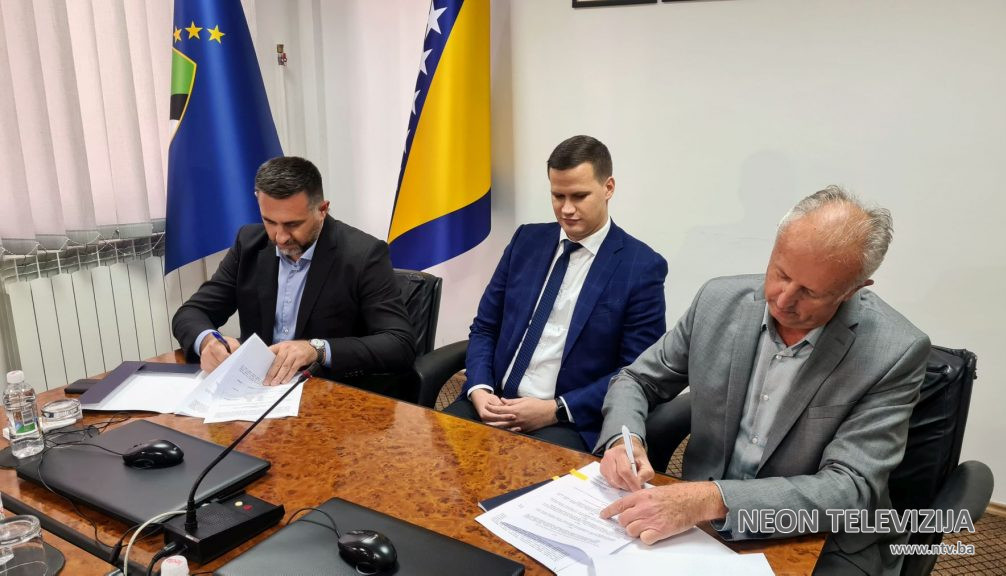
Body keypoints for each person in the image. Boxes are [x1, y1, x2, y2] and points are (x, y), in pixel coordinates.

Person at [597, 186, 930, 575]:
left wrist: (713, 499)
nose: (783, 299)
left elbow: (849, 488)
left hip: (814, 535)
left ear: (852, 290)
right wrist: (623, 440)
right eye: (781, 274)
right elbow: (637, 380)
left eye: (810, 292)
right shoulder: (717, 302)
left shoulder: (894, 352)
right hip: (695, 522)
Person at [444, 135, 668, 451]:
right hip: (492, 400)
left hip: (565, 420)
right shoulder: (526, 241)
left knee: (521, 478)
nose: (567, 209)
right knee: (429, 457)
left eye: (579, 196)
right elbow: (485, 327)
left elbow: (635, 372)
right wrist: (479, 388)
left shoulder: (640, 267)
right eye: (557, 196)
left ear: (608, 188)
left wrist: (556, 409)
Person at [172, 156, 416, 386]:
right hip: (257, 388)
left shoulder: (363, 254)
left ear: (322, 210)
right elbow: (192, 312)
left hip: (327, 390)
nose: (280, 237)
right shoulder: (249, 244)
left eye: (293, 224)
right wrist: (208, 341)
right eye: (270, 221)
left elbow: (399, 343)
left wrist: (316, 349)